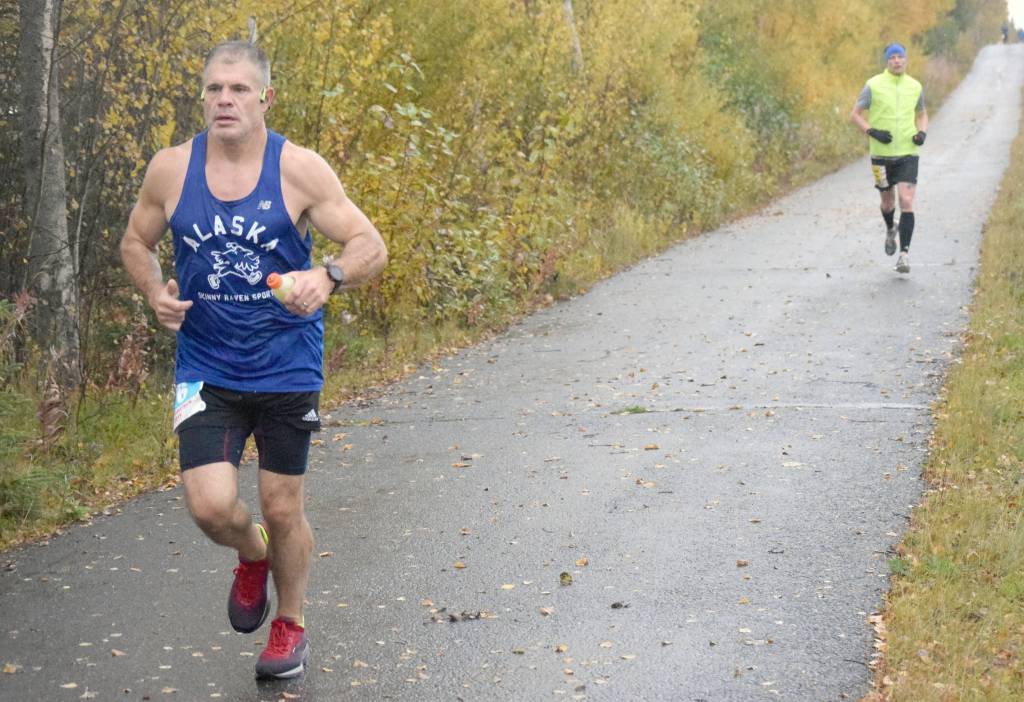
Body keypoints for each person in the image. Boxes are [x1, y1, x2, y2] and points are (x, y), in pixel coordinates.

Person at [120, 40, 387, 679]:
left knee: (282, 505)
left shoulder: (298, 169)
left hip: (286, 364)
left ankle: (289, 625)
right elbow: (136, 240)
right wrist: (155, 290)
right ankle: (251, 554)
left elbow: (369, 244)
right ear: (203, 97)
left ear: (265, 97)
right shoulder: (172, 169)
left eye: (239, 89)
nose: (225, 100)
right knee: (212, 507)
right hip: (206, 363)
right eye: (215, 89)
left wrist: (327, 276)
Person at [850, 42, 928, 274]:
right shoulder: (873, 85)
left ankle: (904, 255)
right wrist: (872, 131)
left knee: (906, 200)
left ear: (906, 60)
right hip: (881, 155)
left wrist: (922, 132)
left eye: (900, 57)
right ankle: (889, 228)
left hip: (907, 153)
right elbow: (855, 115)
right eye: (892, 57)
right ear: (887, 61)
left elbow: (922, 114)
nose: (897, 61)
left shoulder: (915, 86)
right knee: (887, 203)